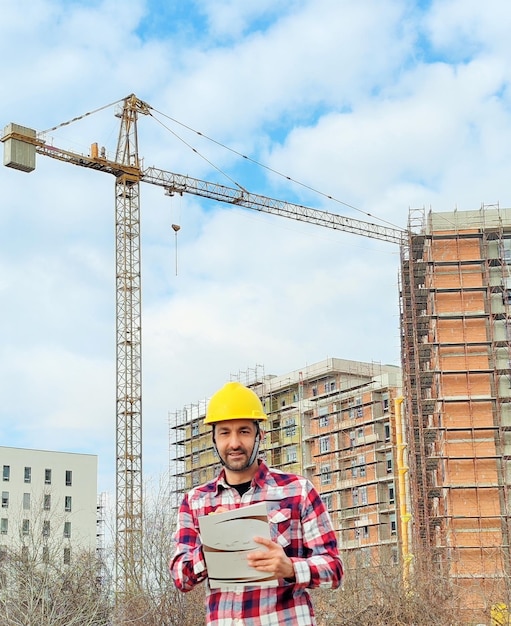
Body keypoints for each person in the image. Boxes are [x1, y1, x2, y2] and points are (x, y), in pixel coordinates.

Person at [170, 381, 343, 625]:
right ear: (214, 440)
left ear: (260, 435)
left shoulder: (297, 491)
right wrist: (211, 547)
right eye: (224, 433)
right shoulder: (196, 501)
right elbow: (181, 578)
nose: (234, 443)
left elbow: (334, 570)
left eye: (243, 431)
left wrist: (291, 568)